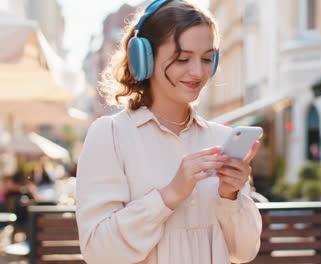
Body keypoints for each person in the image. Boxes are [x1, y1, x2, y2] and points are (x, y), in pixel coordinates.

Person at [76, 1, 262, 264]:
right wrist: (170, 195)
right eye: (182, 59)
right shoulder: (111, 135)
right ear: (144, 59)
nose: (198, 72)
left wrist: (230, 196)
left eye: (207, 58)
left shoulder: (222, 139)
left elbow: (243, 253)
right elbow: (98, 251)